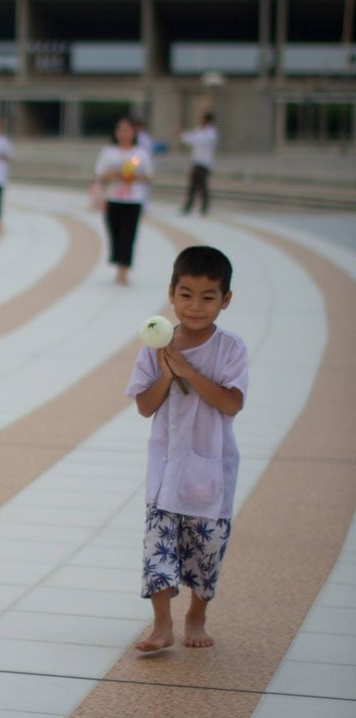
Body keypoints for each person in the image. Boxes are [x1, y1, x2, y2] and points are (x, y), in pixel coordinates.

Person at [126, 246, 247, 651]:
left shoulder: (230, 348)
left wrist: (189, 372)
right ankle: (162, 624)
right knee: (158, 549)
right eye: (186, 295)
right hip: (165, 468)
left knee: (205, 549)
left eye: (208, 297)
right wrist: (166, 369)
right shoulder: (155, 345)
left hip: (211, 470)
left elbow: (231, 403)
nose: (195, 306)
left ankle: (197, 612)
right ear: (172, 294)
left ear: (225, 300)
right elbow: (145, 406)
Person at [93, 117, 152, 287]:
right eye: (121, 129)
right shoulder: (108, 152)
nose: (124, 133)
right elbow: (99, 174)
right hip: (113, 198)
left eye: (128, 129)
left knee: (128, 235)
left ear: (133, 132)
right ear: (116, 132)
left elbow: (148, 177)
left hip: (133, 200)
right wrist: (111, 175)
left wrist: (134, 177)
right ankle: (118, 263)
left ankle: (123, 272)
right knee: (115, 234)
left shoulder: (141, 153)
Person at [180, 112, 217, 216]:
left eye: (203, 120)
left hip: (204, 163)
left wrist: (186, 135)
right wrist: (182, 134)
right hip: (196, 162)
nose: (201, 122)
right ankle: (189, 206)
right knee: (193, 185)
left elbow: (198, 140)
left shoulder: (211, 133)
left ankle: (203, 207)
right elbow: (190, 139)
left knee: (201, 186)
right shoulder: (199, 130)